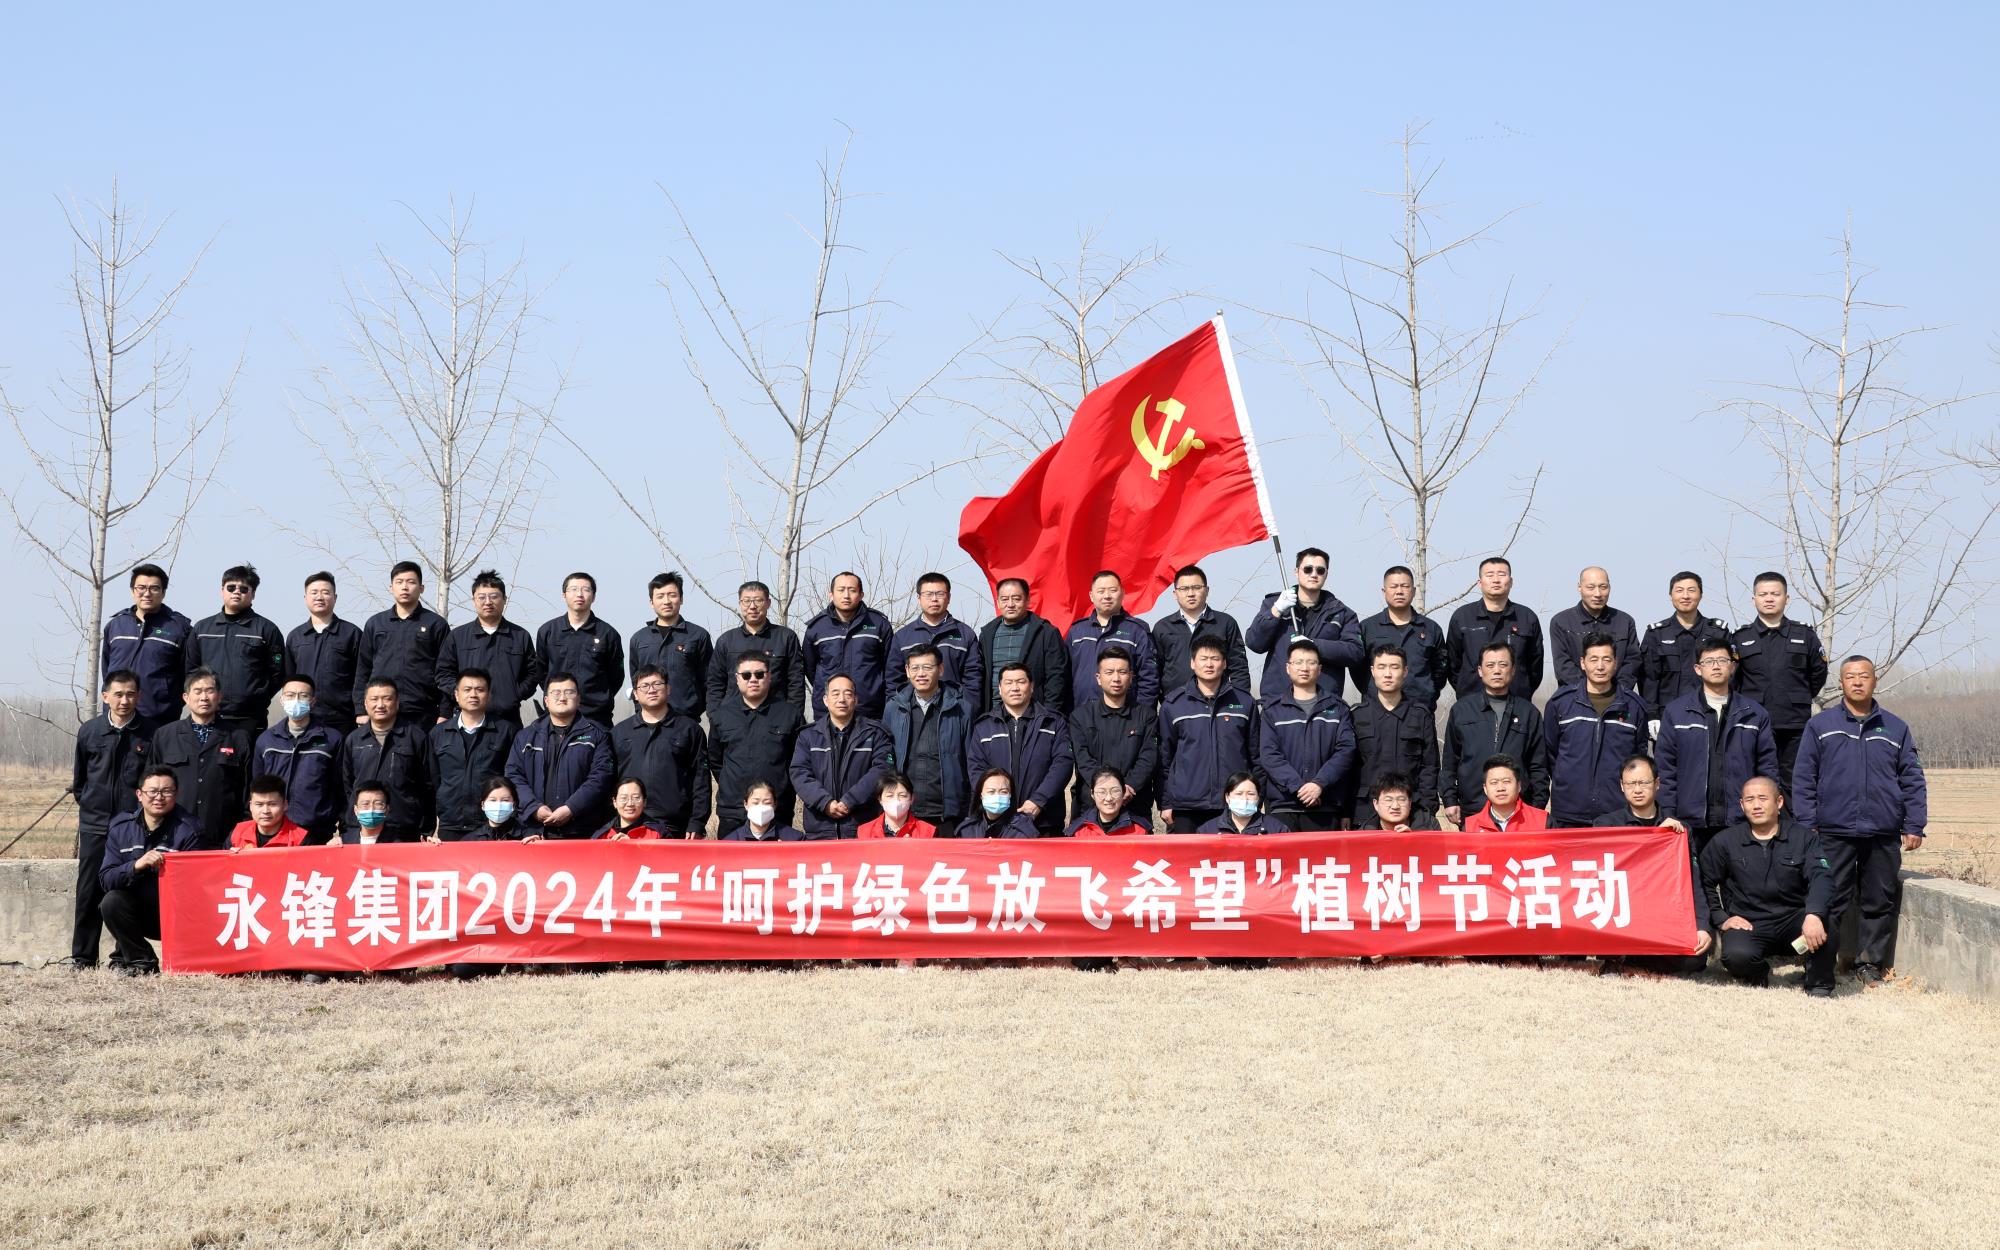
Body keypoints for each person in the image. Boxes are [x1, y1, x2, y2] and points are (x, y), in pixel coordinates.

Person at [1792, 656, 1927, 984]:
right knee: (1829, 898)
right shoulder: (1821, 726)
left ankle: (1869, 964)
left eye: (1864, 676)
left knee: (1878, 900)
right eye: (1850, 676)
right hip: (1833, 829)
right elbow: (1804, 776)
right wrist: (1807, 822)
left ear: (1874, 681)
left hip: (1882, 830)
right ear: (1841, 682)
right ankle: (1821, 962)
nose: (1857, 682)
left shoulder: (1895, 728)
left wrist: (1914, 824)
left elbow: (1912, 778)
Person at [1700, 776, 1837, 995]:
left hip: (1793, 920)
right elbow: (1703, 881)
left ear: (1779, 802)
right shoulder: (1725, 841)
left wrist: (1814, 915)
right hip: (1750, 923)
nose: (1756, 805)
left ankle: (1818, 984)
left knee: (1827, 923)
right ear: (1742, 805)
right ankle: (1758, 974)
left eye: (1763, 798)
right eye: (1750, 800)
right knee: (1736, 956)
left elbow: (1822, 877)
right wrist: (1721, 918)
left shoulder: (1803, 838)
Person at [1655, 640, 1779, 853]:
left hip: (1741, 820)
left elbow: (1767, 768)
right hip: (1690, 822)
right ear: (1698, 668)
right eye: (1709, 661)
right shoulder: (1676, 712)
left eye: (1722, 660)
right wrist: (1668, 812)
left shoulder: (1754, 714)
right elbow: (1666, 769)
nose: (1716, 666)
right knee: (1695, 875)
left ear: (1732, 666)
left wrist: (1767, 812)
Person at [1594, 755, 1711, 977]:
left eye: (1644, 783)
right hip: (1623, 912)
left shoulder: (1678, 829)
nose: (1637, 789)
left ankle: (1635, 959)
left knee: (1694, 959)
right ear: (1622, 786)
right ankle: (1622, 956)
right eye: (1631, 783)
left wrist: (1702, 926)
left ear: (1657, 784)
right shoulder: (1606, 825)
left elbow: (1693, 882)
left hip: (1662, 915)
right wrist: (1656, 837)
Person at [69, 669, 148, 969]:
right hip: (95, 825)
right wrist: (91, 805)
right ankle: (83, 957)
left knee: (125, 889)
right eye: (118, 694)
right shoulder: (90, 732)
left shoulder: (150, 733)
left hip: (132, 827)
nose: (124, 700)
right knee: (88, 891)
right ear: (105, 697)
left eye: (130, 694)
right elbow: (80, 782)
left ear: (138, 697)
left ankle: (122, 957)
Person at [1729, 572, 1830, 800]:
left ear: (1787, 598)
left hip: (1795, 724)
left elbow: (1818, 673)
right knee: (1755, 781)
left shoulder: (1804, 634)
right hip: (1753, 722)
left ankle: (1793, 822)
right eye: (1763, 594)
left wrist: (1797, 696)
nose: (1769, 599)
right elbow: (1733, 681)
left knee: (1795, 781)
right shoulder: (1740, 638)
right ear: (1754, 599)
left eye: (1775, 594)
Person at [96, 765, 203, 975]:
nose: (159, 797)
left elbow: (196, 884)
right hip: (136, 913)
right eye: (152, 791)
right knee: (111, 901)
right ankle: (141, 961)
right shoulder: (121, 828)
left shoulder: (190, 831)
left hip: (176, 915)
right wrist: (136, 866)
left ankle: (124, 955)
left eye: (166, 791)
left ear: (176, 794)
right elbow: (106, 879)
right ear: (139, 794)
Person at [1543, 634, 1651, 828]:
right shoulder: (1561, 703)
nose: (1600, 666)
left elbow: (1637, 758)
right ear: (1582, 663)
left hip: (1616, 814)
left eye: (1606, 659)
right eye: (1593, 659)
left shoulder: (1634, 706)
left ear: (1615, 663)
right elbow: (1551, 754)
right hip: (1569, 813)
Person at [1440, 643, 1549, 825]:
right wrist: (1450, 800)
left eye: (1503, 665)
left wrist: (1536, 807)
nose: (1497, 671)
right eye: (1490, 665)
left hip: (1520, 813)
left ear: (1513, 670)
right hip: (1473, 809)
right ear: (1480, 670)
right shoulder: (1462, 710)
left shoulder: (1528, 713)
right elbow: (1450, 762)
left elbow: (1539, 767)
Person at [1158, 637, 1259, 833]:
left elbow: (1256, 756)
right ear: (1192, 663)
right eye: (1203, 659)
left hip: (1234, 803)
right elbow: (1164, 758)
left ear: (1225, 663)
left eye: (1215, 658)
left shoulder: (1244, 702)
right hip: (1186, 806)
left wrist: (1256, 797)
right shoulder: (1174, 705)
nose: (1209, 664)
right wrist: (1166, 801)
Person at [1255, 639, 1355, 831]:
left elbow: (1345, 751)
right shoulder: (1272, 710)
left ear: (1319, 668)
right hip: (1284, 806)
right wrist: (1298, 787)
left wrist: (1319, 784)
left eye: (1311, 662)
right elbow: (1269, 755)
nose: (1304, 668)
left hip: (1325, 805)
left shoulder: (1338, 708)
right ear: (1288, 668)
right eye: (1298, 662)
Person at [148, 667, 253, 849]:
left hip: (223, 837)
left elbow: (247, 791)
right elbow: (150, 784)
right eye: (197, 691)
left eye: (209, 691)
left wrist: (244, 832)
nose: (204, 697)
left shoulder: (238, 737)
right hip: (173, 836)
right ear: (186, 698)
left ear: (219, 696)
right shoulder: (165, 736)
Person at [965, 662, 1074, 836]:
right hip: (997, 823)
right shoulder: (984, 726)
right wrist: (993, 799)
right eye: (1008, 683)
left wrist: (1039, 801)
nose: (1015, 688)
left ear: (1031, 686)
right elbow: (976, 767)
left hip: (1044, 821)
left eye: (1021, 682)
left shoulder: (1053, 722)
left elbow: (1063, 764)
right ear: (1000, 688)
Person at [506, 673, 615, 838]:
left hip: (581, 830)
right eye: (556, 693)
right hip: (534, 831)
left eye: (569, 692)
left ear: (578, 699)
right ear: (546, 701)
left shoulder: (597, 735)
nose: (562, 698)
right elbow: (513, 775)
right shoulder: (526, 737)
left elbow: (601, 777)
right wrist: (533, 807)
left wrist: (571, 808)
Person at [1245, 547, 1363, 700]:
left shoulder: (1342, 613)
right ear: (1296, 572)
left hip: (1324, 701)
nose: (1314, 574)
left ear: (1326, 574)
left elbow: (1355, 652)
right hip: (1278, 701)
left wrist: (1314, 645)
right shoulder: (1274, 604)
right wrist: (1275, 611)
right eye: (1308, 569)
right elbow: (1254, 643)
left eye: (1320, 570)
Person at [707, 654, 804, 838]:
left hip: (776, 809)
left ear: (769, 676)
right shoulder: (722, 716)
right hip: (733, 810)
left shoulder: (790, 714)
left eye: (759, 674)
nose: (753, 679)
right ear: (737, 679)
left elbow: (797, 760)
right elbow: (715, 760)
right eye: (746, 675)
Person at [790, 674, 894, 839]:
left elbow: (882, 770)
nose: (842, 699)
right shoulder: (808, 736)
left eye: (847, 693)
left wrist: (850, 800)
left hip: (862, 827)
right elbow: (800, 773)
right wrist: (825, 802)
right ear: (825, 700)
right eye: (835, 693)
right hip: (820, 828)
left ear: (855, 699)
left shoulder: (875, 733)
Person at [186, 563, 287, 732]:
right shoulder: (202, 629)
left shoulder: (267, 630)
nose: (236, 592)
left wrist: (257, 697)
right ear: (222, 590)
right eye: (231, 587)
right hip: (209, 714)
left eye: (244, 589)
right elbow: (191, 670)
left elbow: (277, 673)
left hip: (250, 718)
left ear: (253, 594)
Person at [1348, 644, 1440, 829]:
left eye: (1394, 667)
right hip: (1364, 811)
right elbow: (1348, 768)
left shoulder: (1420, 715)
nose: (1388, 674)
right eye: (1381, 667)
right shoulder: (1357, 716)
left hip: (1411, 810)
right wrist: (1346, 811)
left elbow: (1430, 767)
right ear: (1372, 671)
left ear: (1405, 671)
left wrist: (1427, 811)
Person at [611, 665, 709, 835]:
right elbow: (609, 780)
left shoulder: (689, 730)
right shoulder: (620, 732)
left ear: (668, 688)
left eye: (657, 684)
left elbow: (701, 780)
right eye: (644, 686)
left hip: (675, 826)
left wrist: (697, 822)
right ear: (635, 694)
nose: (651, 690)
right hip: (630, 824)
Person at [436, 569, 542, 728]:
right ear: (473, 600)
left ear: (504, 599)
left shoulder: (520, 636)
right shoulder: (458, 636)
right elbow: (444, 673)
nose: (488, 602)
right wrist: (462, 694)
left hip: (508, 719)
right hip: (467, 718)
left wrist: (514, 694)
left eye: (494, 596)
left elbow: (533, 673)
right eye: (482, 597)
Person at [1068, 646, 1160, 825]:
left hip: (1134, 805)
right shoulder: (1080, 716)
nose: (1116, 678)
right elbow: (1083, 759)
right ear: (1098, 678)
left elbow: (1148, 757)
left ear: (1131, 677)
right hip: (1090, 807)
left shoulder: (1146, 716)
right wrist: (1106, 789)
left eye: (1122, 672)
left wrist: (1128, 787)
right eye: (1109, 672)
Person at [883, 644, 971, 829]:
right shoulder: (894, 708)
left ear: (940, 669)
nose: (921, 674)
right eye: (915, 668)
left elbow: (970, 760)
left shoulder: (961, 708)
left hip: (947, 813)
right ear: (907, 671)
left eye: (927, 667)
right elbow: (886, 758)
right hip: (905, 811)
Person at [356, 561, 451, 727]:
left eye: (411, 582)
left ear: (421, 588)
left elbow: (446, 670)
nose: (405, 587)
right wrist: (361, 710)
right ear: (391, 588)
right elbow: (363, 669)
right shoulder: (376, 623)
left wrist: (445, 712)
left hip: (424, 711)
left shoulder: (436, 624)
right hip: (382, 709)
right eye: (399, 582)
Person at [101, 562, 192, 734]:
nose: (147, 593)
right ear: (132, 591)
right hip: (116, 717)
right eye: (141, 588)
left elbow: (187, 674)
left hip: (159, 719)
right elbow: (106, 669)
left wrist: (171, 704)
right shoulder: (116, 626)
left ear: (163, 592)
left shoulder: (179, 629)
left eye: (154, 588)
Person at [428, 669, 519, 840]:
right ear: (456, 695)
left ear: (489, 695)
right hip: (451, 823)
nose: (473, 695)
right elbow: (432, 780)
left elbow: (512, 776)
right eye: (467, 689)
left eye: (480, 689)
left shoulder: (506, 731)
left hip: (491, 823)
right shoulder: (438, 733)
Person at [341, 678, 435, 843]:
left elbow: (428, 785)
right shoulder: (354, 739)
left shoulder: (415, 737)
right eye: (374, 699)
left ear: (397, 703)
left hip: (405, 828)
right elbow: (347, 785)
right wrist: (347, 827)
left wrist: (426, 829)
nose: (380, 705)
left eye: (387, 699)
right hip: (363, 829)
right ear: (365, 704)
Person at [254, 676, 345, 842]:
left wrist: (344, 830)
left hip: (316, 831)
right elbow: (256, 787)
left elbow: (340, 788)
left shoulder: (332, 739)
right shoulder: (266, 740)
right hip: (275, 830)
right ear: (282, 699)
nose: (296, 700)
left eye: (303, 696)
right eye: (290, 695)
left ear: (313, 701)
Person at [1444, 556, 1544, 699]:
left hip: (1517, 701)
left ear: (1511, 582)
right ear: (1480, 583)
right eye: (1489, 575)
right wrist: (1466, 690)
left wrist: (1522, 689)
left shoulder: (1526, 618)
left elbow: (1535, 667)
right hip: (1471, 702)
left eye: (1502, 574)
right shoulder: (1462, 617)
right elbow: (1453, 664)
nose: (1496, 580)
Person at [1638, 572, 1731, 723]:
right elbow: (1649, 679)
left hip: (1711, 715)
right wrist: (1652, 715)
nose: (1685, 596)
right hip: (1668, 716)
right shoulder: (1656, 634)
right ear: (1670, 595)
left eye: (1691, 590)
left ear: (1700, 595)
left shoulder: (1718, 632)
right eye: (1679, 590)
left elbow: (1730, 675)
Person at [1150, 564, 1250, 702]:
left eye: (1197, 587)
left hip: (1219, 703)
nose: (1190, 593)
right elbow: (1154, 672)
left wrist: (1241, 703)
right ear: (1175, 594)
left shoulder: (1225, 623)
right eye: (1184, 589)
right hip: (1176, 704)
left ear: (1207, 590)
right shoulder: (1162, 628)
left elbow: (1239, 667)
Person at [536, 571, 624, 727]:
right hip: (557, 716)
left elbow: (616, 676)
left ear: (594, 596)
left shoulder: (608, 634)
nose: (579, 594)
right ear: (564, 595)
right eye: (574, 589)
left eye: (586, 589)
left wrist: (598, 698)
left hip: (596, 717)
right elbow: (541, 671)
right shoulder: (548, 631)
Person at [803, 571, 894, 718]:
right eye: (841, 590)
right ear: (831, 594)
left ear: (861, 594)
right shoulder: (817, 628)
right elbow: (810, 668)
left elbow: (890, 667)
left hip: (870, 709)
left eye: (852, 590)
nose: (846, 595)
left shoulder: (878, 624)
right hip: (828, 711)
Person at [707, 580, 808, 712]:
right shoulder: (726, 641)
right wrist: (715, 716)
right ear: (740, 604)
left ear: (768, 603)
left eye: (758, 600)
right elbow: (715, 683)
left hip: (777, 714)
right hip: (734, 716)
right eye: (746, 601)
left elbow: (796, 682)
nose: (752, 606)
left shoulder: (786, 637)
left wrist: (793, 716)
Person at [1065, 570, 1160, 710]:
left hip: (1125, 715)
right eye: (1101, 591)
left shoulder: (1137, 630)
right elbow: (1064, 677)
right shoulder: (1077, 631)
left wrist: (1141, 716)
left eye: (1113, 590)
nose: (1107, 596)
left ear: (1122, 593)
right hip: (1081, 713)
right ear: (1091, 596)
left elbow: (1149, 678)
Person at [1356, 566, 1448, 709]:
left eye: (1405, 586)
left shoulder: (1431, 629)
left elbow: (1441, 670)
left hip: (1419, 709)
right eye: (1393, 586)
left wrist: (1427, 692)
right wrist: (1370, 690)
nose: (1399, 591)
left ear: (1414, 591)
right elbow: (1357, 669)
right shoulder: (1368, 628)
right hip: (1376, 709)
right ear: (1384, 591)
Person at [627, 571, 714, 722]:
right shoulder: (639, 639)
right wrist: (640, 709)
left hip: (686, 719)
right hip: (648, 720)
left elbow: (708, 681)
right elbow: (635, 680)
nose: (666, 601)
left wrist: (694, 709)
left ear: (681, 599)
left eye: (672, 595)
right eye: (660, 596)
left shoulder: (698, 636)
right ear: (651, 602)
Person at [977, 576, 1069, 714]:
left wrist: (1048, 716)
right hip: (994, 714)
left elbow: (1057, 678)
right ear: (998, 602)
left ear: (1027, 600)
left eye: (1016, 599)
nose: (1010, 604)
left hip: (1033, 715)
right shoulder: (987, 634)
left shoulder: (1046, 633)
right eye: (1004, 599)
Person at [888, 572, 985, 702]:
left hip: (954, 709)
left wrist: (967, 709)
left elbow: (974, 679)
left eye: (940, 594)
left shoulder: (965, 634)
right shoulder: (903, 636)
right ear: (919, 598)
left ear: (949, 597)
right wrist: (896, 709)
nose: (934, 599)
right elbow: (893, 680)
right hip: (913, 710)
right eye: (928, 594)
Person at [284, 572, 362, 728]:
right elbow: (289, 678)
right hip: (304, 717)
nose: (319, 597)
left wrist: (361, 711)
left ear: (335, 597)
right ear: (305, 598)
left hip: (343, 718)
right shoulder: (295, 636)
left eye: (326, 592)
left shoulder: (352, 633)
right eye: (314, 593)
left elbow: (362, 675)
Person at [1549, 566, 1641, 692]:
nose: (1597, 594)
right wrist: (1588, 691)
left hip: (1619, 696)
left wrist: (1615, 691)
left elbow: (1632, 661)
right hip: (1574, 696)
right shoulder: (1561, 622)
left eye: (1603, 587)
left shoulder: (1625, 621)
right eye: (1591, 587)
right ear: (1579, 587)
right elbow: (1563, 665)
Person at [1459, 755, 1549, 833]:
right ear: (1485, 789)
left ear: (1519, 786)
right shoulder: (1470, 827)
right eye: (1494, 783)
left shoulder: (1543, 821)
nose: (1500, 788)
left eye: (1506, 781)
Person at [946, 768, 1043, 839]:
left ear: (1010, 795)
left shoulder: (1024, 832)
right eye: (991, 792)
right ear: (981, 796)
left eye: (1003, 792)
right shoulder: (966, 830)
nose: (997, 796)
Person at [227, 774, 313, 849]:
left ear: (285, 805)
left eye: (272, 804)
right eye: (259, 804)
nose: (265, 811)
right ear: (251, 806)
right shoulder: (237, 833)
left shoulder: (301, 839)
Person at [1066, 768, 1152, 837]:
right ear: (1092, 794)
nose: (1109, 798)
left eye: (1115, 791)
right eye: (1102, 792)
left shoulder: (1139, 830)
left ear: (1123, 792)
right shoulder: (1078, 831)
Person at [1197, 772, 1291, 835]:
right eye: (1239, 794)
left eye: (1251, 794)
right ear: (1227, 797)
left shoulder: (1277, 829)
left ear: (1258, 798)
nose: (1245, 799)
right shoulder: (1207, 831)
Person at [857, 772, 937, 838]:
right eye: (890, 796)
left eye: (902, 795)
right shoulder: (864, 832)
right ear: (880, 799)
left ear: (912, 798)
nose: (896, 800)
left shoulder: (928, 832)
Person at [721, 780, 806, 841]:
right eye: (755, 802)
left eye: (767, 802)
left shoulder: (794, 839)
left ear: (774, 805)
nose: (761, 807)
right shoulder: (732, 841)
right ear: (746, 804)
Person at [594, 778, 663, 840]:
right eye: (623, 798)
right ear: (615, 802)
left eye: (636, 798)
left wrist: (631, 845)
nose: (630, 804)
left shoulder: (659, 833)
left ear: (644, 802)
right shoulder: (602, 835)